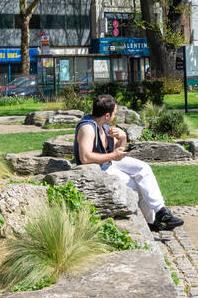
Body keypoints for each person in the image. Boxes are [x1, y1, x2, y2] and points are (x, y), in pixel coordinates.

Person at [75, 93, 183, 231]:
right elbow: (85, 157)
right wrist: (113, 155)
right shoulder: (88, 128)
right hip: (95, 168)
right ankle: (152, 221)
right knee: (135, 185)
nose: (115, 116)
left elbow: (118, 152)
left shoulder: (105, 126)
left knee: (143, 168)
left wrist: (123, 138)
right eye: (114, 113)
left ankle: (161, 212)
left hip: (108, 162)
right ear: (107, 115)